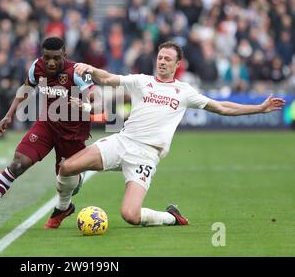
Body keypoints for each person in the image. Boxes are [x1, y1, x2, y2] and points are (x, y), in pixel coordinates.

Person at [59, 41, 286, 228]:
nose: (162, 62)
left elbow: (221, 107)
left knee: (131, 215)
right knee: (67, 167)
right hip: (122, 141)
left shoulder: (184, 92)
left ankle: (170, 217)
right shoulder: (141, 81)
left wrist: (258, 107)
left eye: (168, 59)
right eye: (160, 58)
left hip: (145, 156)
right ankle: (63, 207)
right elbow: (108, 78)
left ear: (178, 64)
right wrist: (90, 68)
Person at [0, 37, 97, 230]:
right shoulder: (37, 67)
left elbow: (95, 95)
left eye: (56, 58)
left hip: (73, 134)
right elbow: (26, 89)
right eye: (47, 58)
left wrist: (86, 103)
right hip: (46, 126)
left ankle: (65, 205)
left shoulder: (77, 72)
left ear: (65, 55)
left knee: (65, 181)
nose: (51, 62)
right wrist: (9, 115)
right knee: (18, 164)